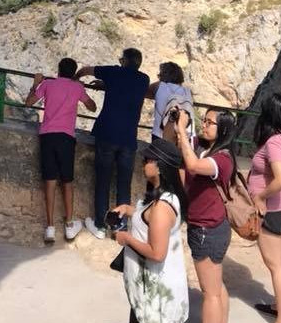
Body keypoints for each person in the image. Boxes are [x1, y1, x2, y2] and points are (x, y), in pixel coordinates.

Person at [113, 138, 189, 323]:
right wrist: (128, 210)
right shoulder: (163, 197)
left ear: (160, 166)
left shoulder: (161, 207)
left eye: (147, 160)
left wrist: (127, 239)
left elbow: (157, 253)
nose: (143, 163)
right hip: (147, 295)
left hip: (156, 301)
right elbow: (149, 219)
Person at [77, 47, 150, 238]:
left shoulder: (113, 72)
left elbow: (86, 70)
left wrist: (74, 79)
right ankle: (120, 227)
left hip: (107, 134)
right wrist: (106, 83)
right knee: (124, 185)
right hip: (128, 138)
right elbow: (128, 88)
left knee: (102, 181)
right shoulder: (144, 79)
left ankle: (101, 225)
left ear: (124, 61)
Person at [25, 57, 97, 243]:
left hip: (48, 136)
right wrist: (81, 89)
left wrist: (35, 84)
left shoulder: (48, 84)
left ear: (58, 70)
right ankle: (69, 226)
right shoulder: (77, 88)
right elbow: (92, 107)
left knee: (49, 181)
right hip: (66, 138)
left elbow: (29, 102)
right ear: (73, 73)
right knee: (67, 181)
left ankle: (50, 228)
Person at [175, 108, 237, 323]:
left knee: (210, 294)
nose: (204, 125)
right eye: (204, 120)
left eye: (210, 122)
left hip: (208, 230)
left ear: (223, 129)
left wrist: (182, 130)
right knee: (216, 286)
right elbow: (181, 153)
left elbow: (193, 166)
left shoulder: (223, 159)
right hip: (206, 226)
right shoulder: (203, 148)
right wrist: (177, 122)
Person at [248, 94, 281, 323]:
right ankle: (280, 307)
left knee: (276, 264)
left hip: (272, 209)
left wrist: (259, 197)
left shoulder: (275, 142)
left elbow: (280, 180)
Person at [147, 62, 194, 141]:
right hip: (179, 136)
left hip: (159, 134)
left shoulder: (158, 86)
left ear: (163, 75)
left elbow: (144, 92)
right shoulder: (188, 92)